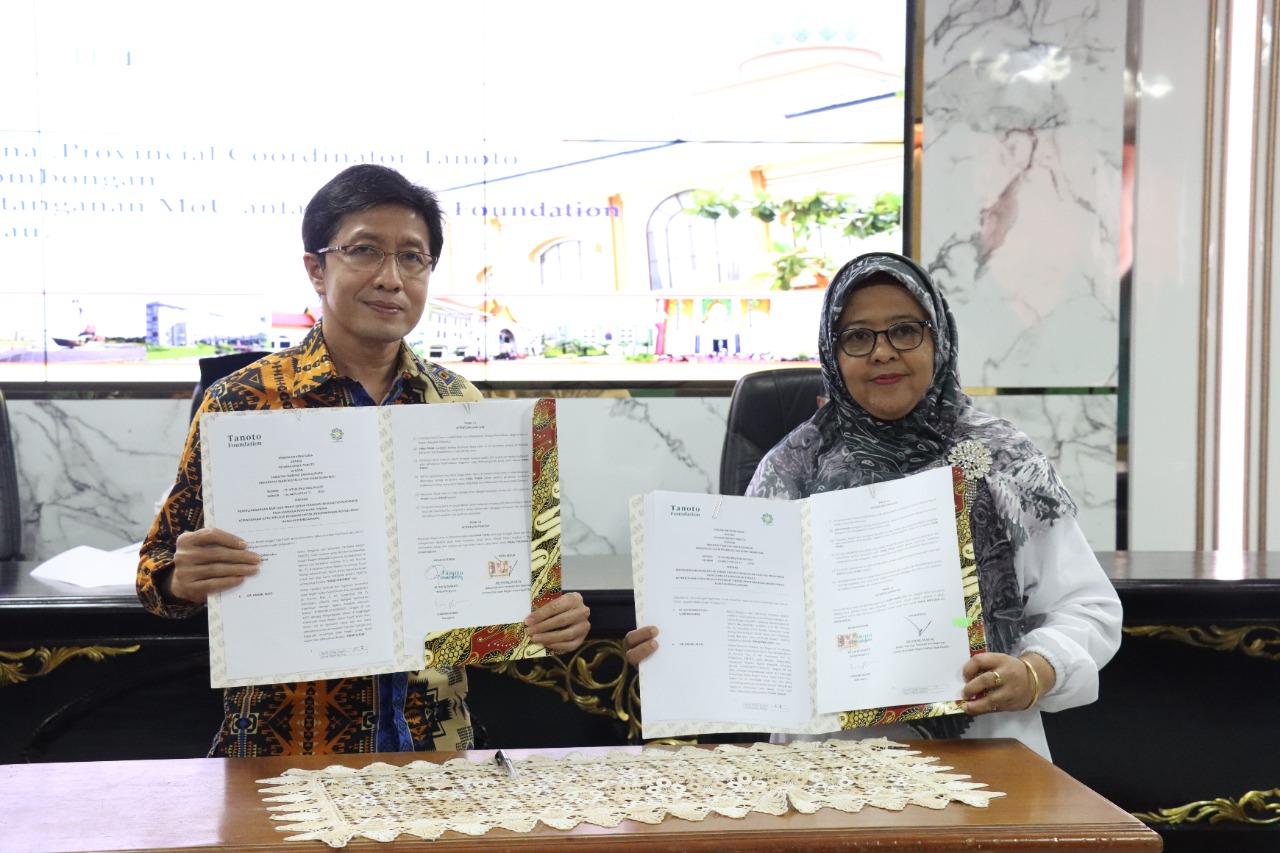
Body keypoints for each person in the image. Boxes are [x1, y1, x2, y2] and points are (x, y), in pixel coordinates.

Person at [139, 164, 590, 757]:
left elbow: (496, 592)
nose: (391, 278)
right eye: (365, 251)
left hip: (436, 749)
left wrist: (548, 616)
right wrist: (182, 579)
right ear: (316, 268)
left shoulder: (462, 405)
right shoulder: (242, 402)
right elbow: (155, 571)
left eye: (413, 257)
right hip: (284, 755)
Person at [624, 251, 1121, 761]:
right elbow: (746, 624)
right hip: (827, 770)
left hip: (986, 755)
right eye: (858, 337)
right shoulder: (790, 469)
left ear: (938, 339)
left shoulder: (1003, 459)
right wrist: (678, 649)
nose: (882, 353)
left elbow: (1087, 608)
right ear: (832, 353)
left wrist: (1035, 671)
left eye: (904, 331)